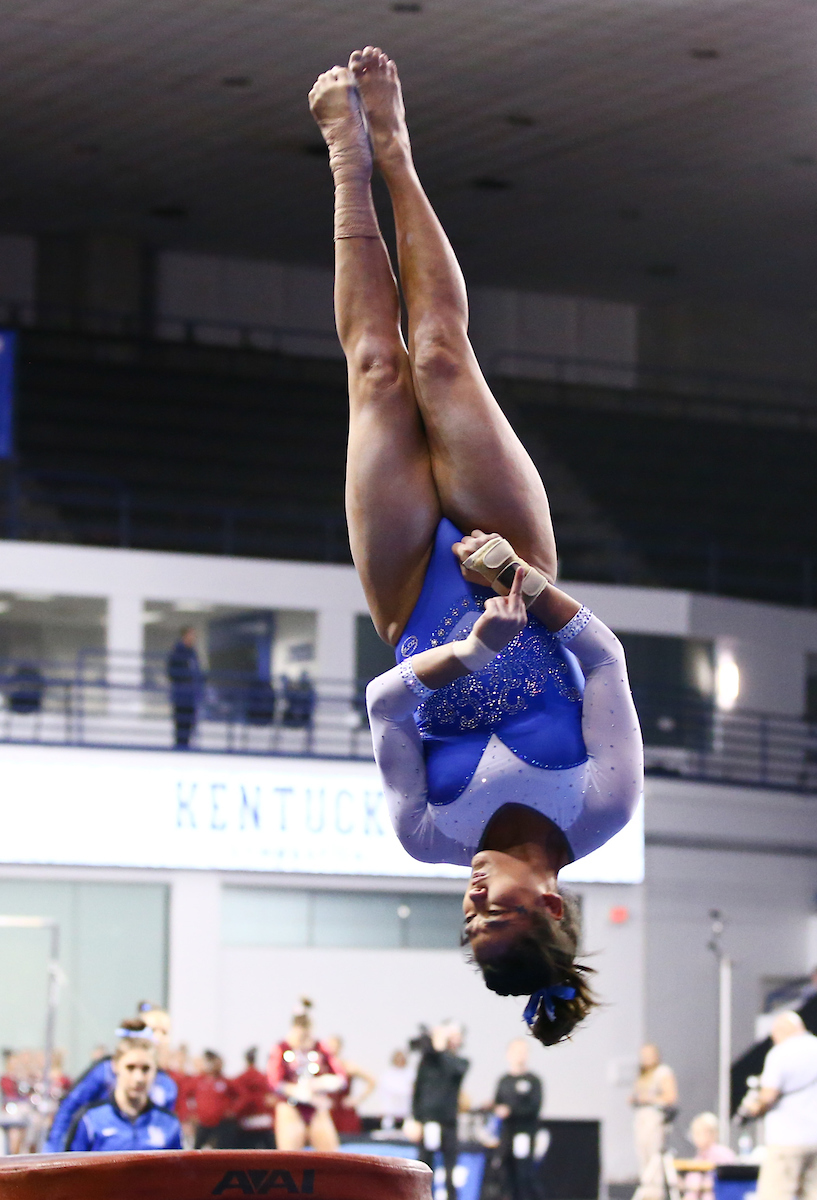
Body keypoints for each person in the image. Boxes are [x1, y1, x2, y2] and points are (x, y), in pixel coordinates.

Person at [308, 49, 643, 1045]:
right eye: (492, 907)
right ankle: (397, 149)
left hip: (412, 599)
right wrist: (523, 584)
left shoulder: (427, 834)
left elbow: (382, 703)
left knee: (375, 370)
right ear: (548, 905)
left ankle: (345, 162)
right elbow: (605, 659)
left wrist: (461, 655)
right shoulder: (602, 805)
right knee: (440, 353)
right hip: (517, 563)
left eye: (466, 918)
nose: (471, 895)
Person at [44, 1018, 178, 1152]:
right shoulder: (100, 1074)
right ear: (116, 1066)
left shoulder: (167, 1091)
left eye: (145, 1069)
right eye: (130, 1068)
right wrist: (52, 1154)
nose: (138, 1078)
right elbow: (69, 1107)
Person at [739, 1011, 817, 1200]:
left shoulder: (780, 1053)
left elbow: (768, 1096)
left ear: (781, 1030)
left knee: (776, 1194)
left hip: (787, 1139)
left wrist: (753, 1108)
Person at [267, 999, 346, 1152]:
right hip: (291, 1105)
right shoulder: (281, 1048)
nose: (304, 1041)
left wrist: (322, 1083)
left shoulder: (320, 1047)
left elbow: (340, 1077)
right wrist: (299, 1092)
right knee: (290, 1158)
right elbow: (274, 1082)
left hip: (316, 1106)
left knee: (331, 1157)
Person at [410, 1022, 470, 1200]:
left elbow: (454, 1070)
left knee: (450, 1170)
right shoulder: (428, 1060)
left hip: (448, 1123)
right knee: (425, 1168)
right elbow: (418, 1089)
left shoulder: (460, 1062)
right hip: (428, 1121)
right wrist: (415, 1118)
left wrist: (442, 1048)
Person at [494, 1039, 544, 1200]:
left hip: (524, 1133)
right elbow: (497, 1102)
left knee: (524, 1175)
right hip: (507, 1134)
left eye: (523, 1052)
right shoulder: (504, 1081)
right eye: (516, 1052)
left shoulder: (533, 1081)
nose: (520, 1056)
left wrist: (511, 1111)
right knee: (506, 1173)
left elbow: (534, 1107)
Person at [630, 1044, 678, 1188]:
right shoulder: (642, 1075)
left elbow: (671, 1097)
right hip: (641, 1118)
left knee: (654, 1158)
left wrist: (648, 1098)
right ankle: (646, 1191)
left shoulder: (663, 1072)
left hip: (654, 1118)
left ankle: (655, 1194)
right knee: (642, 1156)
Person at [181, 1051, 238, 1149]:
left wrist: (233, 1110)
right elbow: (184, 1095)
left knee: (222, 1150)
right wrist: (190, 1113)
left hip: (221, 1123)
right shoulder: (198, 1080)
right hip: (203, 1123)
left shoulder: (225, 1081)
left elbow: (239, 1096)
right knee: (196, 1150)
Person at [325, 1035, 376, 1136]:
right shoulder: (322, 1066)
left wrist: (357, 1099)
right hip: (328, 1112)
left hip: (344, 1113)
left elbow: (372, 1081)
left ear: (339, 1047)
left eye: (333, 1046)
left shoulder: (347, 1066)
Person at [679, 1112, 736, 1200]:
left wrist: (698, 1186)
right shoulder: (698, 1157)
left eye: (698, 1133)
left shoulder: (723, 1155)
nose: (694, 1138)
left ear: (711, 1133)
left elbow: (727, 1183)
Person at [231, 1048, 276, 1149]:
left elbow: (242, 1099)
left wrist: (235, 1111)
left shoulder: (240, 1078)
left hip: (247, 1121)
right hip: (263, 1121)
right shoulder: (263, 1078)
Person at [167, 627, 203, 749]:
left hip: (192, 696)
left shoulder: (193, 653)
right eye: (191, 635)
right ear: (184, 636)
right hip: (181, 695)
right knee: (181, 724)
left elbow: (197, 672)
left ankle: (186, 747)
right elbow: (172, 673)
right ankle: (180, 748)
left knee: (189, 724)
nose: (193, 638)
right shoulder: (177, 652)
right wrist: (185, 681)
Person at [376, 1049, 416, 1130]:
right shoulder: (387, 1075)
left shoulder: (412, 1074)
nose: (400, 1060)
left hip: (407, 1114)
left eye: (402, 1058)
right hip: (390, 1114)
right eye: (398, 1058)